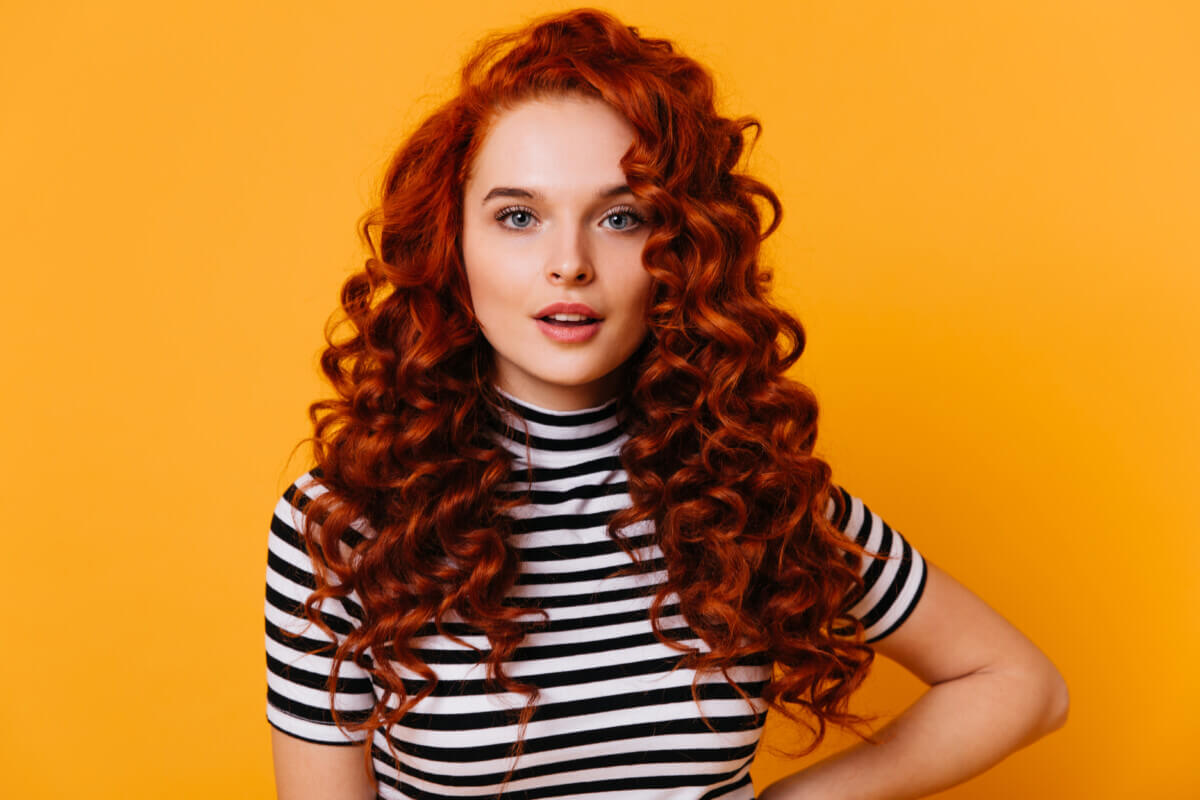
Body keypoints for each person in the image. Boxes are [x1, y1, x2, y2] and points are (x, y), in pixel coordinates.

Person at [263, 8, 1068, 799]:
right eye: (518, 216)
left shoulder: (746, 490)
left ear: (679, 250)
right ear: (452, 245)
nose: (568, 263)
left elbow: (1023, 684)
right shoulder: (341, 521)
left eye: (620, 217)